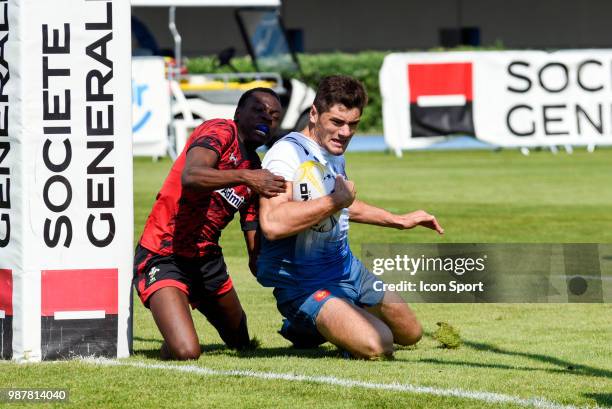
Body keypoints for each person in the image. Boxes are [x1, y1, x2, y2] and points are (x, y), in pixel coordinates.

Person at [257, 76, 444, 359]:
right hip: (304, 284)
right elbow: (273, 223)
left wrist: (397, 220)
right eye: (336, 122)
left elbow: (344, 206)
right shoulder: (285, 155)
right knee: (378, 345)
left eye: (353, 124)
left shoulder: (332, 151)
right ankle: (306, 323)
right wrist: (335, 200)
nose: (345, 132)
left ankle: (333, 318)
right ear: (314, 114)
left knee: (410, 333)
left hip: (347, 270)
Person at [133, 88, 285, 360]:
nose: (267, 118)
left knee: (241, 343)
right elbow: (192, 176)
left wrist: (282, 271)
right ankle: (173, 335)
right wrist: (247, 177)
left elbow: (254, 249)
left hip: (206, 262)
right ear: (239, 113)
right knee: (186, 351)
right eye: (259, 110)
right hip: (163, 253)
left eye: (274, 116)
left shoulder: (256, 170)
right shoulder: (220, 131)